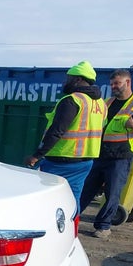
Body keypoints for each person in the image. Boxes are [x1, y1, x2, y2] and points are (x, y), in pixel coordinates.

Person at [78, 69, 133, 238]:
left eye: (117, 83)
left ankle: (103, 226)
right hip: (100, 153)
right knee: (86, 188)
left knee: (112, 192)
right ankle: (73, 219)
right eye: (112, 84)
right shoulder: (108, 102)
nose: (113, 87)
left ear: (128, 83)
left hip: (121, 156)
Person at [25, 61, 106, 206]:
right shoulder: (101, 103)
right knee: (73, 198)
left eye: (68, 78)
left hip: (61, 159)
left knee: (48, 198)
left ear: (78, 79)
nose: (65, 82)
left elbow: (57, 131)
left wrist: (36, 156)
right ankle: (72, 225)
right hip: (86, 160)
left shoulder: (72, 100)